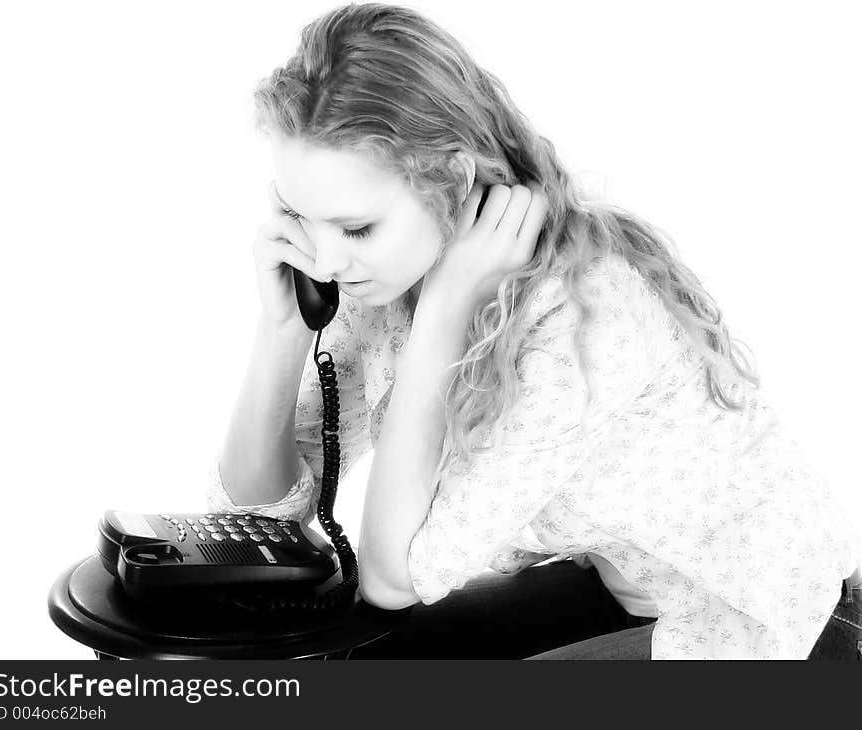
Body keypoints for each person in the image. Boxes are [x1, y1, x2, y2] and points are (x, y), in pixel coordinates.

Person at [205, 2, 861, 659]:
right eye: (296, 214)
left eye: (356, 228)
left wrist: (444, 309)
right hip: (624, 598)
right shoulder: (379, 276)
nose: (323, 261)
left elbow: (392, 578)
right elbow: (256, 519)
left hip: (774, 625)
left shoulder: (582, 316)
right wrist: (284, 328)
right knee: (343, 662)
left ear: (452, 180)